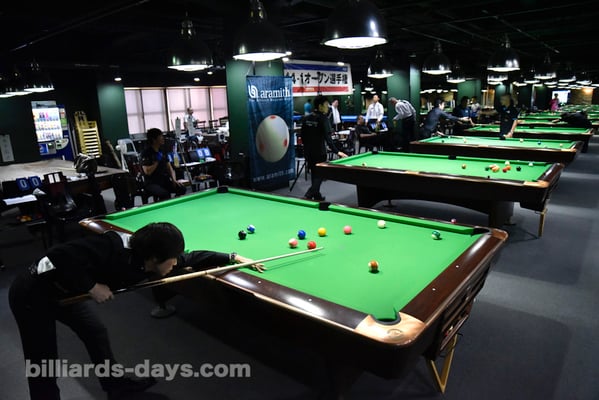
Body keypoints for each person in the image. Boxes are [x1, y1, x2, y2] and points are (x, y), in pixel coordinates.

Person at [8, 222, 260, 400]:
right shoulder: (111, 246)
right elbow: (58, 255)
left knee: (95, 332)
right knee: (43, 361)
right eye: (172, 258)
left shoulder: (153, 259)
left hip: (65, 292)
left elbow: (191, 258)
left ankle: (115, 386)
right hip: (33, 293)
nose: (176, 262)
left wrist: (232, 256)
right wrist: (92, 286)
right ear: (154, 258)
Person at [300, 95, 348, 201]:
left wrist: (306, 149)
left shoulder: (306, 118)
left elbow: (302, 136)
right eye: (326, 105)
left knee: (314, 173)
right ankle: (308, 195)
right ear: (320, 106)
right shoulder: (323, 118)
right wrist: (337, 152)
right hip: (319, 152)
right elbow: (328, 139)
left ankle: (317, 195)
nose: (328, 107)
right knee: (320, 174)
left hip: (308, 152)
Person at [140, 128, 187, 202]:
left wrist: (174, 180)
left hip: (164, 180)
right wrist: (157, 162)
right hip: (152, 183)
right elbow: (147, 172)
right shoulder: (146, 153)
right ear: (154, 140)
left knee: (182, 188)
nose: (163, 138)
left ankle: (175, 203)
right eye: (160, 136)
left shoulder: (162, 150)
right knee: (165, 194)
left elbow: (169, 167)